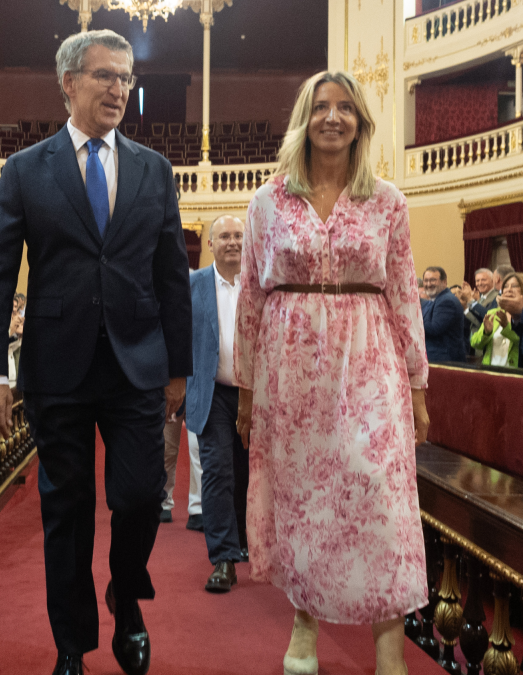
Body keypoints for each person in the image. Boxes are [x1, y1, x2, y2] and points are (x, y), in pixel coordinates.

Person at [0, 30, 190, 675]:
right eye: (104, 76)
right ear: (68, 83)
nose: (119, 89)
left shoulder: (155, 169)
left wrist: (179, 367)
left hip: (138, 363)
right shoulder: (26, 169)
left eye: (125, 78)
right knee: (65, 513)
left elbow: (173, 275)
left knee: (141, 495)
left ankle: (127, 591)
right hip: (55, 366)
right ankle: (73, 643)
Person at [233, 71, 429, 675]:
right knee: (305, 499)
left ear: (361, 124)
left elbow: (403, 295)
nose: (334, 117)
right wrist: (245, 389)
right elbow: (249, 300)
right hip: (291, 376)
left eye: (346, 108)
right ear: (304, 118)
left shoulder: (389, 201)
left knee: (382, 498)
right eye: (322, 107)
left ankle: (389, 642)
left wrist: (419, 388)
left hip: (372, 365)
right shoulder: (268, 200)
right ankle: (304, 623)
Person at [185, 214, 249, 593]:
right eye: (224, 236)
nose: (232, 242)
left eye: (239, 235)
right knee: (218, 472)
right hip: (213, 394)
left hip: (255, 396)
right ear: (210, 244)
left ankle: (244, 541)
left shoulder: (262, 284)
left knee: (247, 474)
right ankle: (224, 558)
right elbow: (176, 334)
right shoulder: (192, 284)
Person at [470, 274, 521, 368]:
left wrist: (506, 328)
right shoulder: (493, 313)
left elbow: (520, 342)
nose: (509, 289)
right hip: (491, 371)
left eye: (514, 286)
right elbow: (475, 343)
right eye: (505, 286)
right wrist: (486, 333)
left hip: (515, 373)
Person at [422, 266, 466, 363]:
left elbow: (434, 328)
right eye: (426, 280)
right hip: (437, 358)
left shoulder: (446, 301)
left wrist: (411, 322)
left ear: (444, 282)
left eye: (433, 280)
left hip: (444, 360)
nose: (428, 284)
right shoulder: (436, 300)